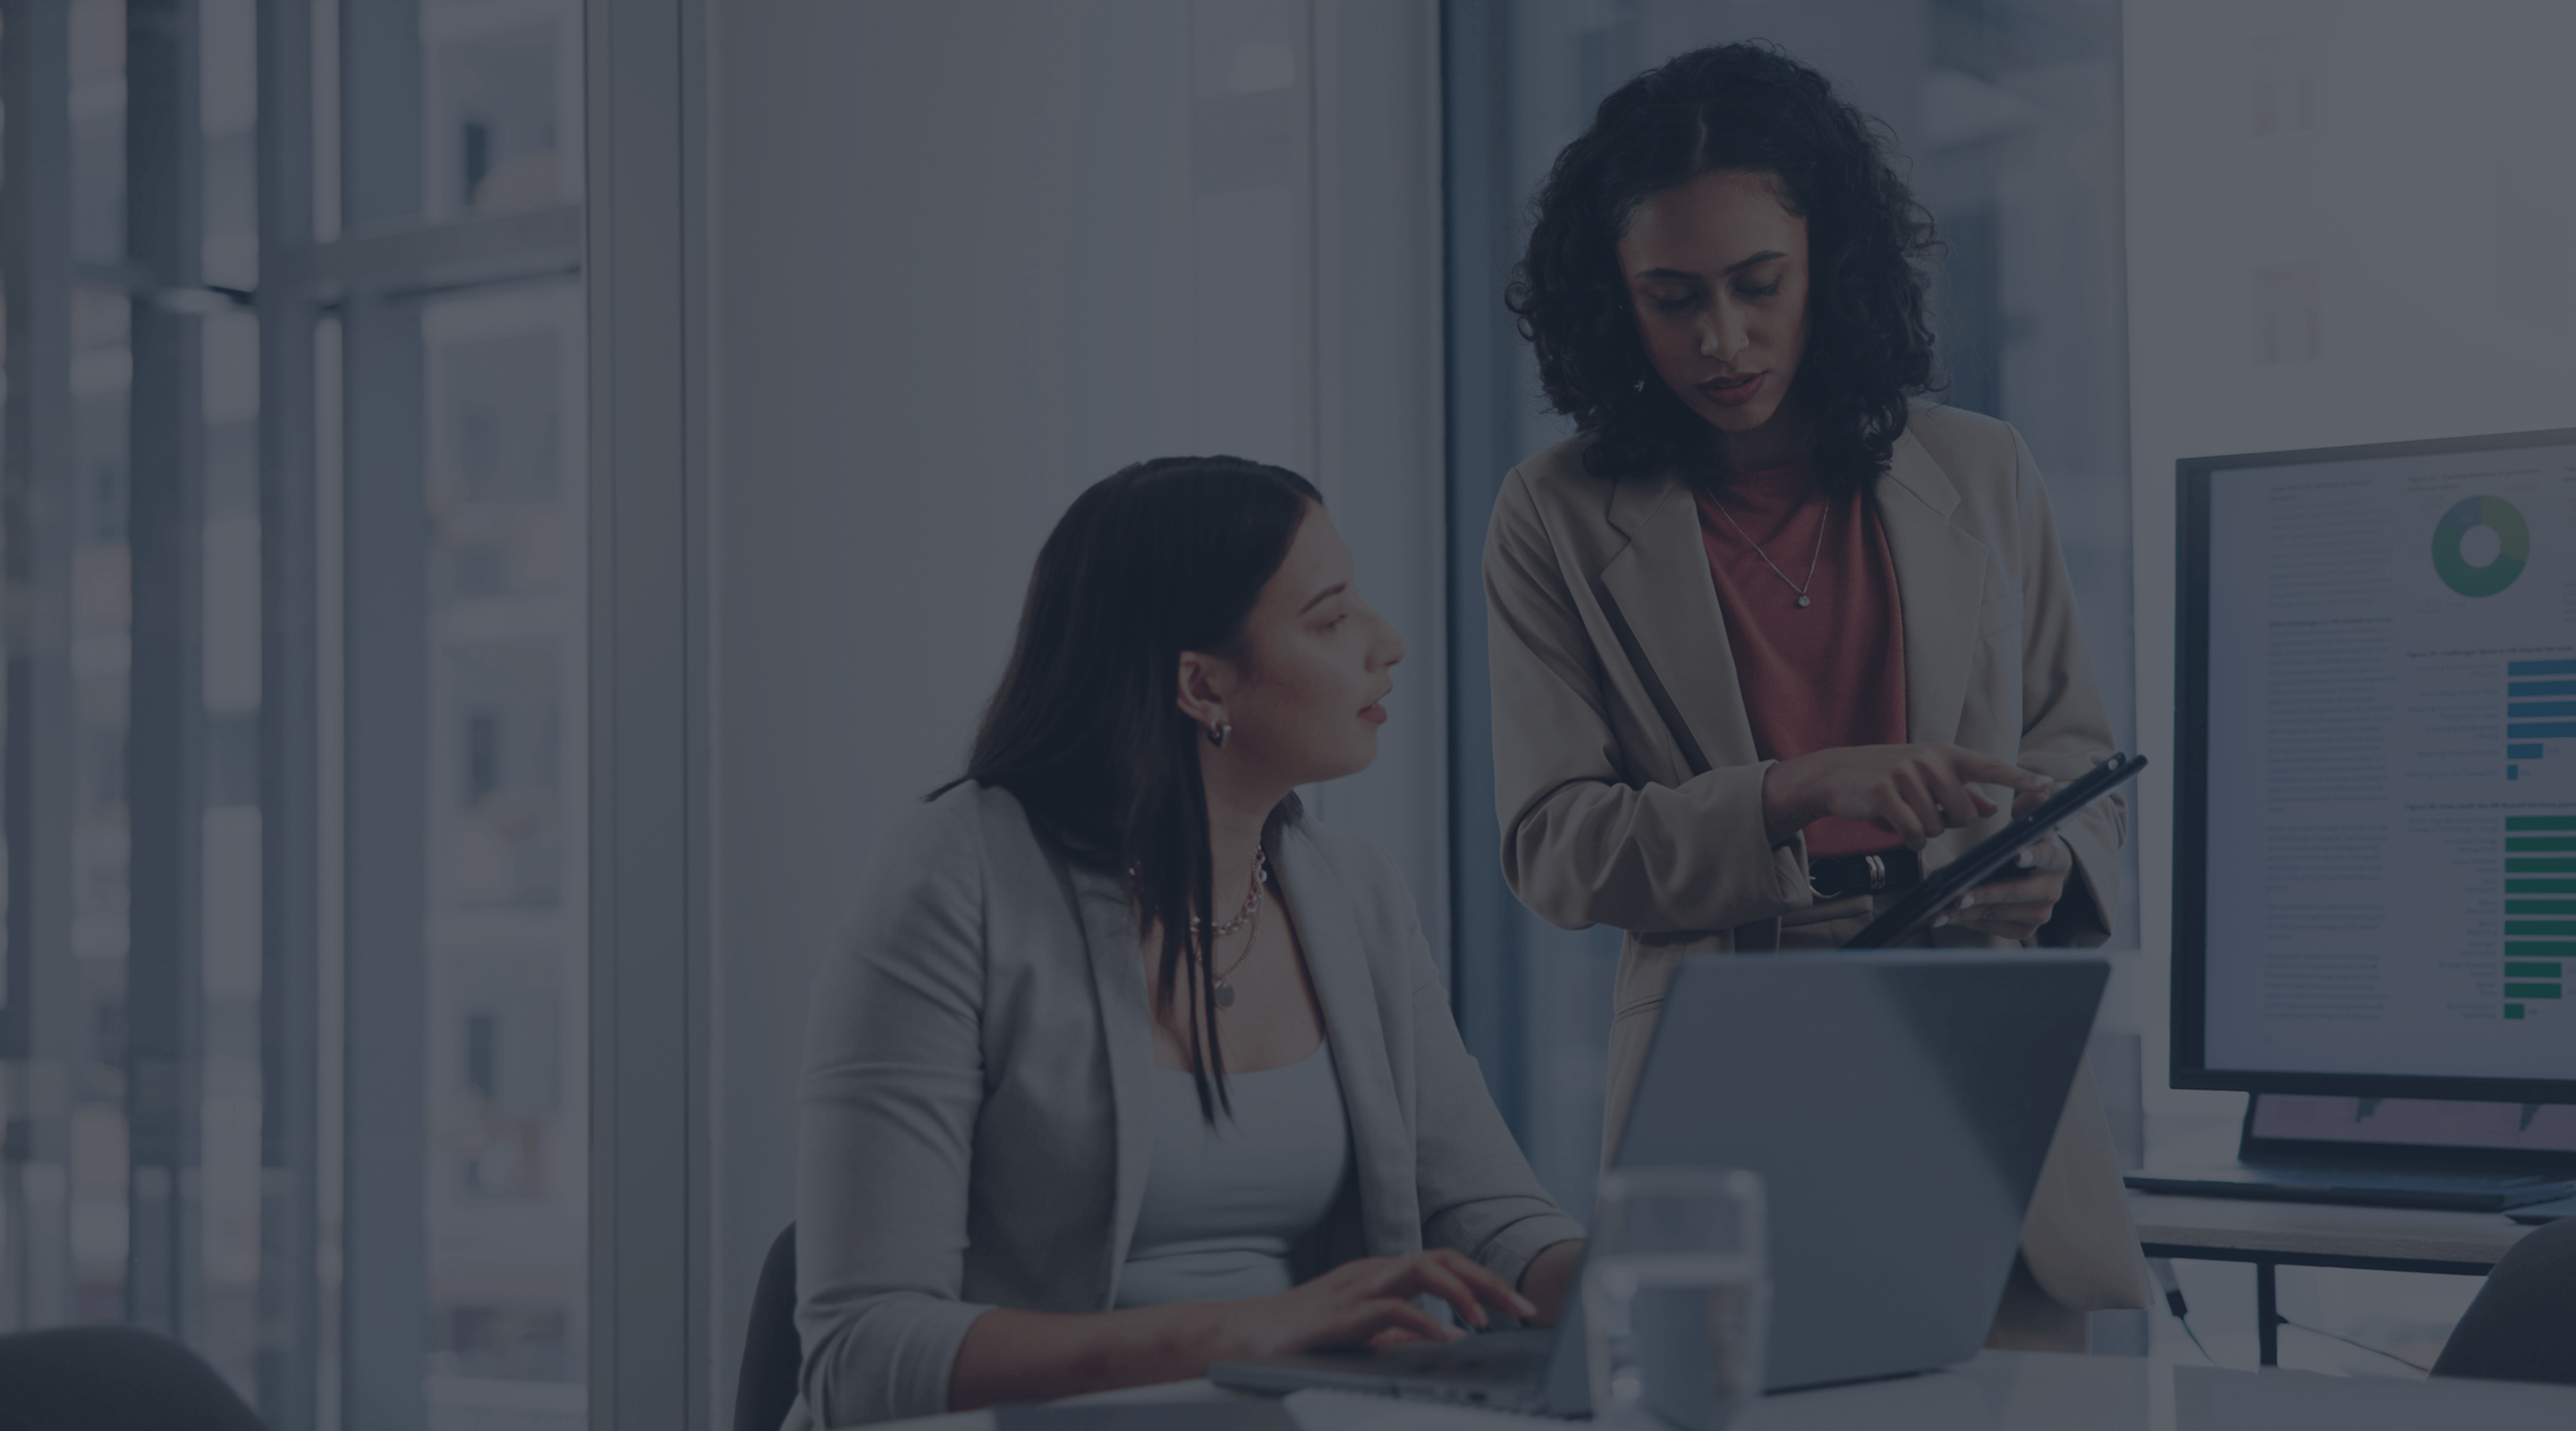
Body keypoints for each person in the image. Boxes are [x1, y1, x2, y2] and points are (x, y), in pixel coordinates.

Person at [1483, 42, 2146, 1347]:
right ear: (1614, 302)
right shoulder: (1552, 516)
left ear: (1825, 266)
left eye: (1757, 286)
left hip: (1971, 1037)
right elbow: (1552, 848)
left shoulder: (1983, 469)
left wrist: (2051, 864)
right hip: (1731, 1048)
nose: (1721, 340)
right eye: (1672, 299)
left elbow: (2082, 770)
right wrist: (1791, 793)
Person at [789, 457, 1586, 1427]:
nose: (1389, 643)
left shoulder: (1353, 892)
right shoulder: (958, 877)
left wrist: (1652, 1272)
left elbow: (1495, 1222)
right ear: (1202, 684)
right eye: (1331, 619)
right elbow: (860, 1351)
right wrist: (1254, 1330)